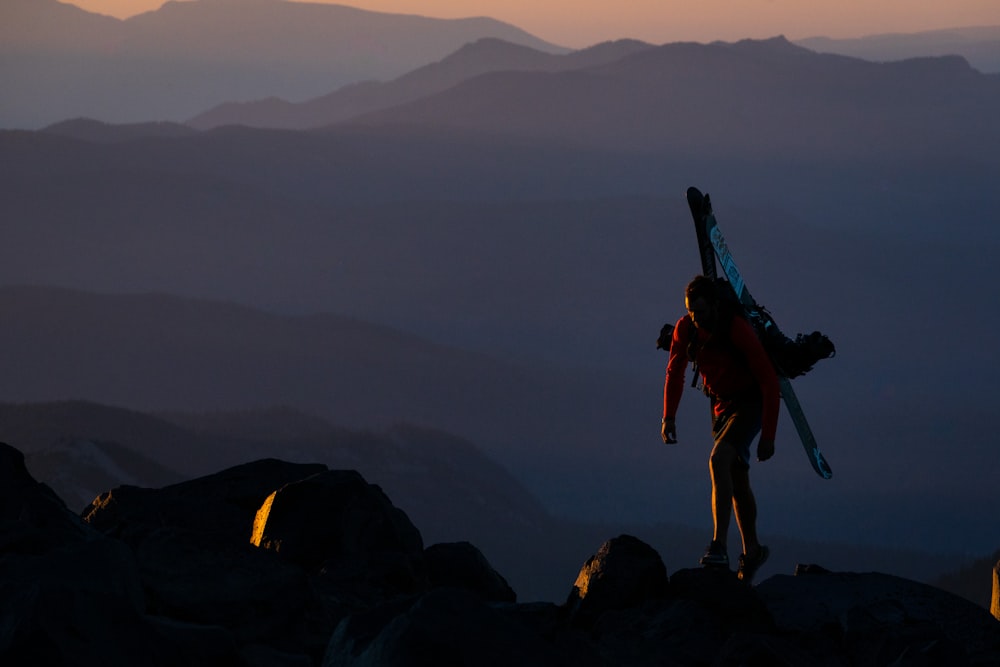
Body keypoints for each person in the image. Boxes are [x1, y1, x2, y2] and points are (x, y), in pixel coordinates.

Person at [661, 275, 778, 583]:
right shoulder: (685, 329)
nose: (694, 318)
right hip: (721, 407)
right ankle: (752, 550)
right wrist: (668, 417)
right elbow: (675, 371)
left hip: (750, 403)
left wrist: (768, 434)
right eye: (690, 311)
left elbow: (768, 380)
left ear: (714, 306)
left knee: (718, 459)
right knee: (737, 479)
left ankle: (719, 547)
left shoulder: (736, 329)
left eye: (699, 311)